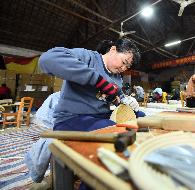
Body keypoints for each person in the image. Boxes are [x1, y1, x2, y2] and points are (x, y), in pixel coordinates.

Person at [24, 39, 146, 186]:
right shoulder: (88, 57)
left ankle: (139, 159)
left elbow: (116, 97)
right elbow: (47, 59)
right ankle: (94, 181)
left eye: (128, 66)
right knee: (114, 132)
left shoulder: (117, 77)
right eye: (124, 62)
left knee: (141, 119)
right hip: (71, 118)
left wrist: (124, 100)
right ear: (113, 50)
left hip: (98, 118)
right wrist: (98, 81)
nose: (124, 68)